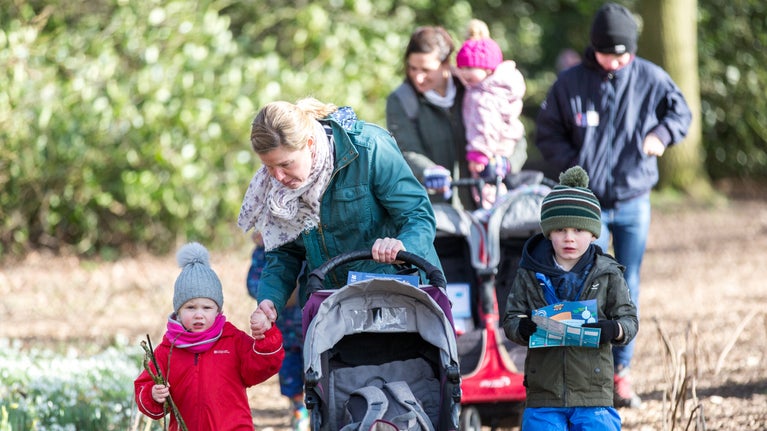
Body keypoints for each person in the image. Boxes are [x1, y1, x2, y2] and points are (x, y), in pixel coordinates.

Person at [534, 2, 692, 408]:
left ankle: (621, 373)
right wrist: (573, 170)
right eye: (610, 53)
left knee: (627, 285)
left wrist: (661, 133)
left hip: (634, 200)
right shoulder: (569, 83)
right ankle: (585, 376)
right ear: (594, 48)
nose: (618, 61)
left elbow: (681, 113)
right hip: (588, 209)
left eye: (625, 54)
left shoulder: (651, 78)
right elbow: (547, 132)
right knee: (583, 285)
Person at [238, 98, 442, 331]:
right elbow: (284, 252)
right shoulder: (276, 186)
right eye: (269, 167)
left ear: (311, 143)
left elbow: (419, 216)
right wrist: (269, 301)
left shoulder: (369, 148)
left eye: (286, 164)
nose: (278, 177)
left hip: (396, 301)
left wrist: (402, 246)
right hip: (330, 312)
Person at [502, 166, 639, 431]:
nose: (569, 238)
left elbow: (629, 319)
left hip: (593, 393)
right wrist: (522, 327)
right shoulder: (530, 273)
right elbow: (511, 317)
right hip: (544, 394)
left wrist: (615, 329)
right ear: (548, 232)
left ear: (593, 233)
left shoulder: (608, 273)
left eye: (578, 230)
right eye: (560, 229)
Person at [134, 242, 284, 431]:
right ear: (178, 311)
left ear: (218, 310)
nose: (199, 314)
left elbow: (261, 366)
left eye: (207, 307)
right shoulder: (168, 350)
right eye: (190, 307)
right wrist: (153, 395)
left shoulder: (232, 340)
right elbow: (144, 386)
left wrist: (266, 337)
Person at [385, 25, 472, 208]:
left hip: (483, 204)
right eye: (413, 68)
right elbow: (407, 150)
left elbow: (509, 133)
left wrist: (505, 164)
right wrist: (428, 170)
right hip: (435, 210)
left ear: (446, 63)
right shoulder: (401, 100)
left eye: (426, 69)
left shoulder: (471, 91)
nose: (418, 77)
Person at [455, 18, 527, 209]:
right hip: (501, 150)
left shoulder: (483, 96)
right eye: (462, 68)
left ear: (487, 68)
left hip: (487, 152)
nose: (465, 74)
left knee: (487, 194)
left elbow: (485, 125)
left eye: (470, 68)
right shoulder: (496, 87)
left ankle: (492, 222)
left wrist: (478, 153)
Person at [246, 232, 309, 431]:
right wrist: (273, 295)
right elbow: (253, 284)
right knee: (289, 369)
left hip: (308, 325)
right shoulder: (261, 255)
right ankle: (299, 407)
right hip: (282, 328)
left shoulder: (303, 245)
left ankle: (316, 409)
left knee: (314, 368)